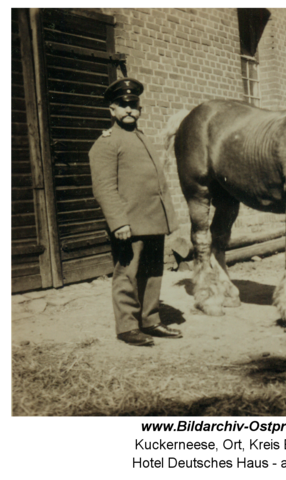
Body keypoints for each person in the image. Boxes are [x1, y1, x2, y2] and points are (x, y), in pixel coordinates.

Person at [89, 78, 181, 346]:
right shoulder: (107, 143)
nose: (129, 110)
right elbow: (104, 187)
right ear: (112, 110)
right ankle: (128, 327)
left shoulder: (141, 137)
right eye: (123, 105)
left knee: (153, 272)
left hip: (152, 219)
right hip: (129, 223)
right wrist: (118, 223)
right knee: (127, 274)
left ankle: (150, 321)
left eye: (134, 105)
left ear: (140, 109)